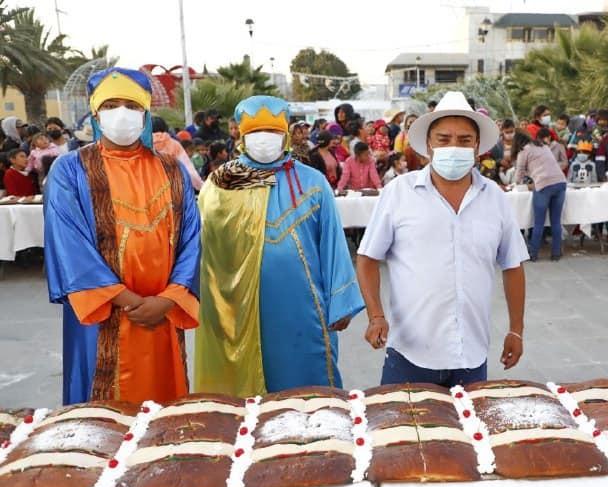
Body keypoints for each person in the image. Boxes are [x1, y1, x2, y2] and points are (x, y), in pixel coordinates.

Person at [43, 67, 200, 404]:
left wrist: (168, 299)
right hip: (104, 315)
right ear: (96, 113)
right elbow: (70, 246)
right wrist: (129, 301)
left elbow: (191, 240)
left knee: (163, 415)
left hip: (163, 313)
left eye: (131, 105)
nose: (122, 114)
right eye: (111, 104)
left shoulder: (172, 169)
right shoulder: (70, 170)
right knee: (102, 426)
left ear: (145, 113)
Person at [356, 91, 528, 387]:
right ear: (428, 145)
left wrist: (516, 330)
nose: (454, 147)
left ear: (477, 147)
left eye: (464, 141)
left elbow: (513, 266)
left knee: (469, 432)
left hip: (472, 356)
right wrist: (375, 315)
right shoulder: (399, 193)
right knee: (402, 433)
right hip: (409, 356)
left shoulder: (495, 199)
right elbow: (367, 259)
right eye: (444, 139)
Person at [195, 95, 364, 395]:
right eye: (256, 132)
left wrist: (341, 302)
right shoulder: (222, 182)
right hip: (240, 308)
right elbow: (204, 245)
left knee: (309, 395)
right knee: (246, 405)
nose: (264, 139)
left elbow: (333, 243)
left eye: (272, 132)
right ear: (242, 136)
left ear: (285, 134)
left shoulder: (312, 182)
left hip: (304, 308)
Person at [514, 129, 568, 261]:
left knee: (538, 222)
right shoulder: (543, 146)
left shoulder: (523, 151)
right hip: (560, 182)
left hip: (543, 185)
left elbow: (519, 171)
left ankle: (533, 254)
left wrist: (516, 183)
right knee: (556, 221)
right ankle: (556, 253)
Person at [152, 115, 203, 190]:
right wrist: (202, 187)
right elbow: (189, 171)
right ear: (165, 128)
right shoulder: (174, 145)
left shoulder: (139, 146)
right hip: (172, 191)